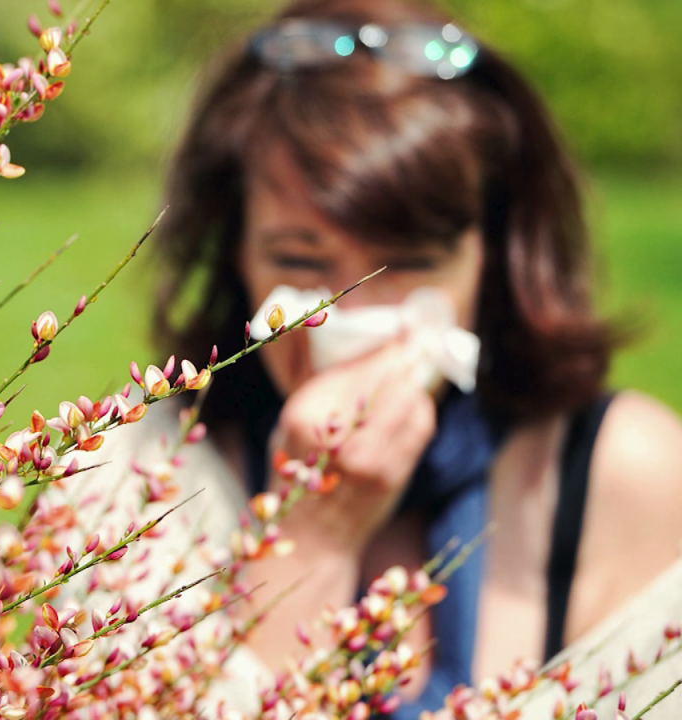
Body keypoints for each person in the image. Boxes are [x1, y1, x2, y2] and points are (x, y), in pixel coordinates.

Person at [62, 0, 682, 715]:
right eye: (299, 259)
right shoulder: (135, 483)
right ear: (234, 254)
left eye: (412, 264)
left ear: (493, 255)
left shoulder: (624, 477)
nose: (352, 317)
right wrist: (311, 539)